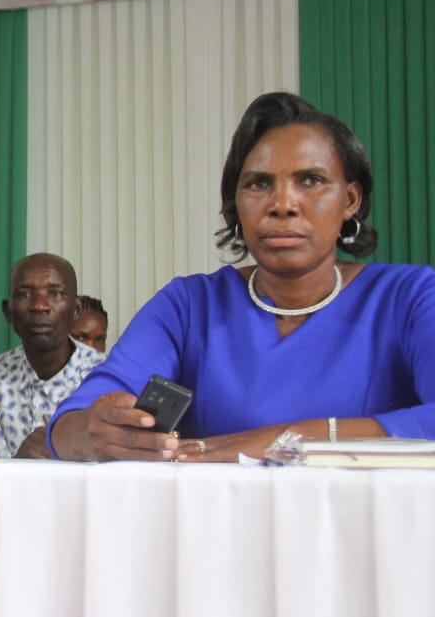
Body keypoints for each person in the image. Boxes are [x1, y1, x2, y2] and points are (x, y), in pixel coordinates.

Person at [49, 91, 435, 462]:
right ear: (236, 203)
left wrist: (291, 440)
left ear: (350, 200)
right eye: (258, 183)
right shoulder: (188, 306)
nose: (282, 204)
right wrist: (94, 430)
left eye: (310, 180)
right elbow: (71, 426)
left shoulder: (411, 297)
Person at [0, 253, 105, 458]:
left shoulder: (104, 377)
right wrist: (19, 463)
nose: (39, 305)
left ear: (76, 309)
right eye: (24, 294)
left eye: (55, 294)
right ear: (8, 311)